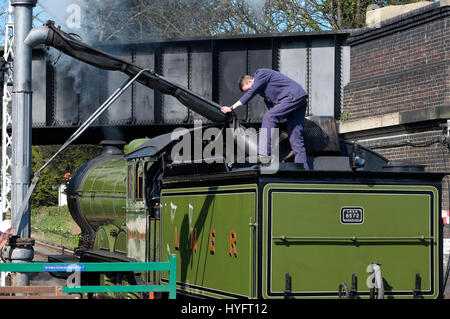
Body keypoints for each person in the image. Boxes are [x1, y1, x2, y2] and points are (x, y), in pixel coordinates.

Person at [220, 68, 310, 170]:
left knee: (268, 117)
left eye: (248, 89)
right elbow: (274, 110)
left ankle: (263, 154)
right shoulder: (265, 95)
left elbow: (251, 93)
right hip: (299, 98)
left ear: (250, 81)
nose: (249, 91)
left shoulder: (261, 73)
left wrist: (231, 107)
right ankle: (304, 169)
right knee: (295, 136)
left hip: (292, 96)